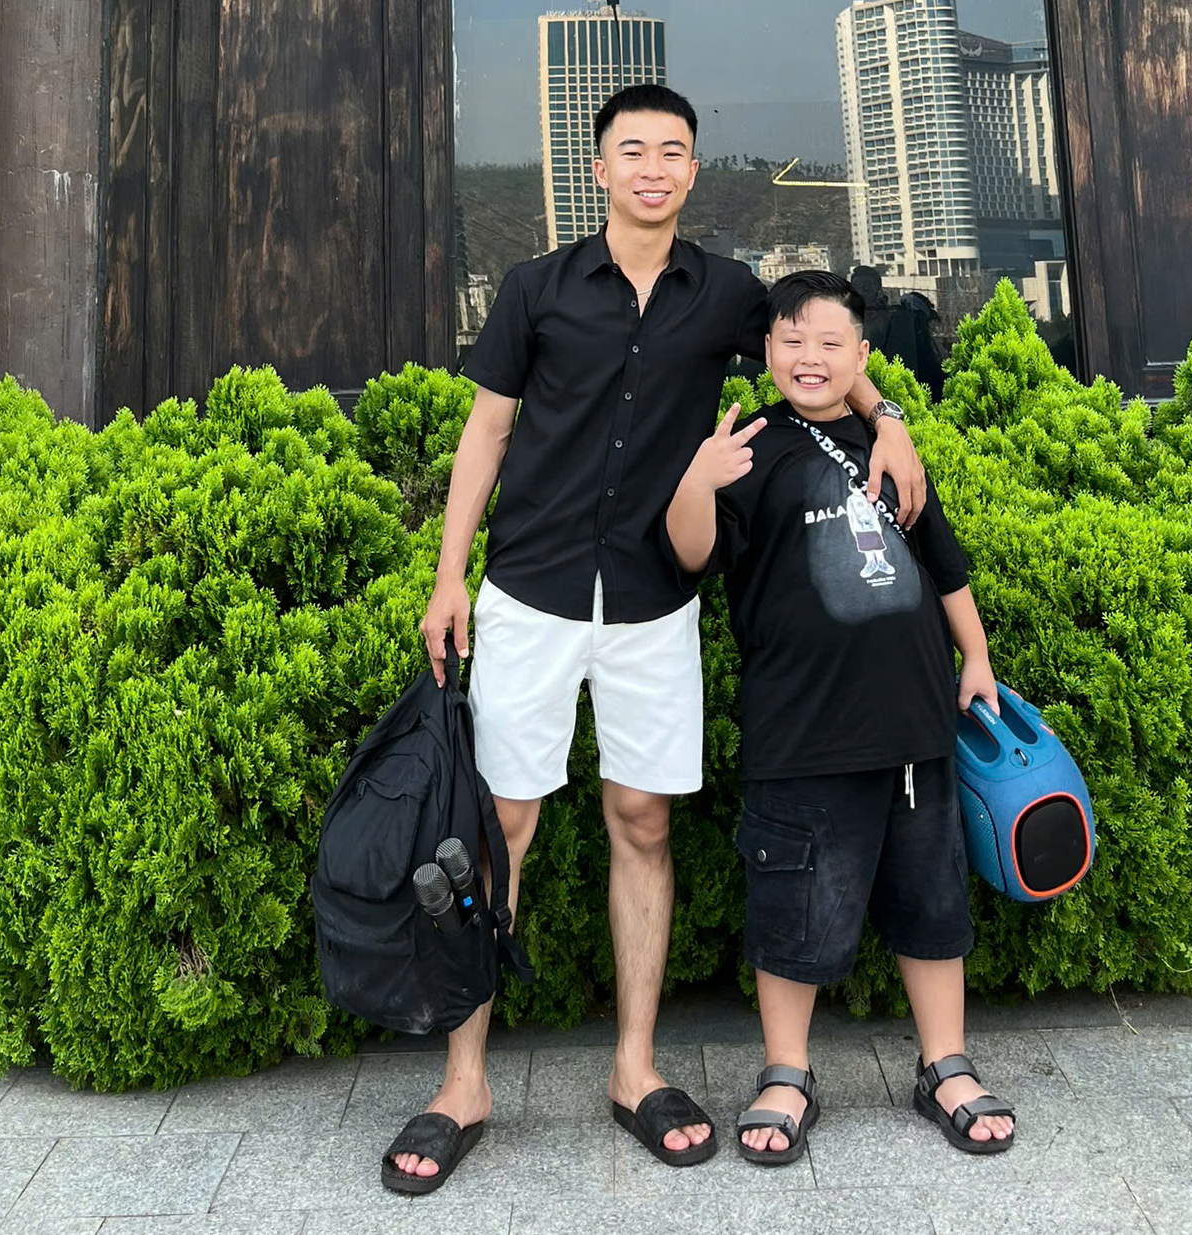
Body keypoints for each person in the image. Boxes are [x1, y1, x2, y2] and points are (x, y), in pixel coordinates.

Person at [390, 85, 930, 1192]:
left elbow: (812, 345)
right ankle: (463, 1080)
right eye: (631, 150)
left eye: (671, 151)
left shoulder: (725, 290)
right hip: (532, 587)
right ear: (598, 169)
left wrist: (888, 419)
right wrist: (449, 576)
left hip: (653, 597)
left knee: (641, 819)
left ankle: (633, 1068)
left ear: (691, 170)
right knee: (502, 826)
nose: (651, 167)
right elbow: (486, 429)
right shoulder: (536, 287)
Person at [664, 270, 1017, 1165]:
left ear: (862, 356)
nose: (809, 358)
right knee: (791, 905)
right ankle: (786, 1072)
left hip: (912, 724)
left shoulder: (889, 443)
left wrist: (975, 658)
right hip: (799, 730)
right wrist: (696, 481)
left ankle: (944, 1063)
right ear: (766, 351)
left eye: (829, 343)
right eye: (791, 341)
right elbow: (692, 555)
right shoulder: (748, 447)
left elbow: (943, 561)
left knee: (931, 902)